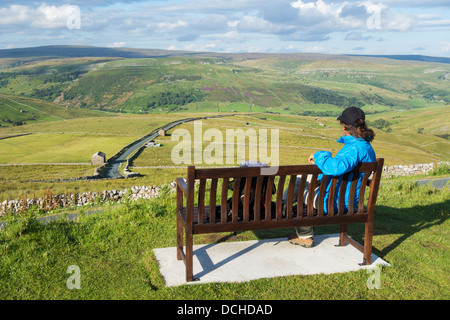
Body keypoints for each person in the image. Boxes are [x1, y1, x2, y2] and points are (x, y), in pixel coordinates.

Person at [285, 106, 376, 248]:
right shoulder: (366, 147)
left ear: (344, 126)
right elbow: (343, 172)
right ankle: (284, 208)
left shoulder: (354, 149)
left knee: (298, 185)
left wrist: (318, 156)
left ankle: (287, 217)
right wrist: (319, 180)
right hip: (350, 199)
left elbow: (336, 168)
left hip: (336, 202)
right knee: (305, 181)